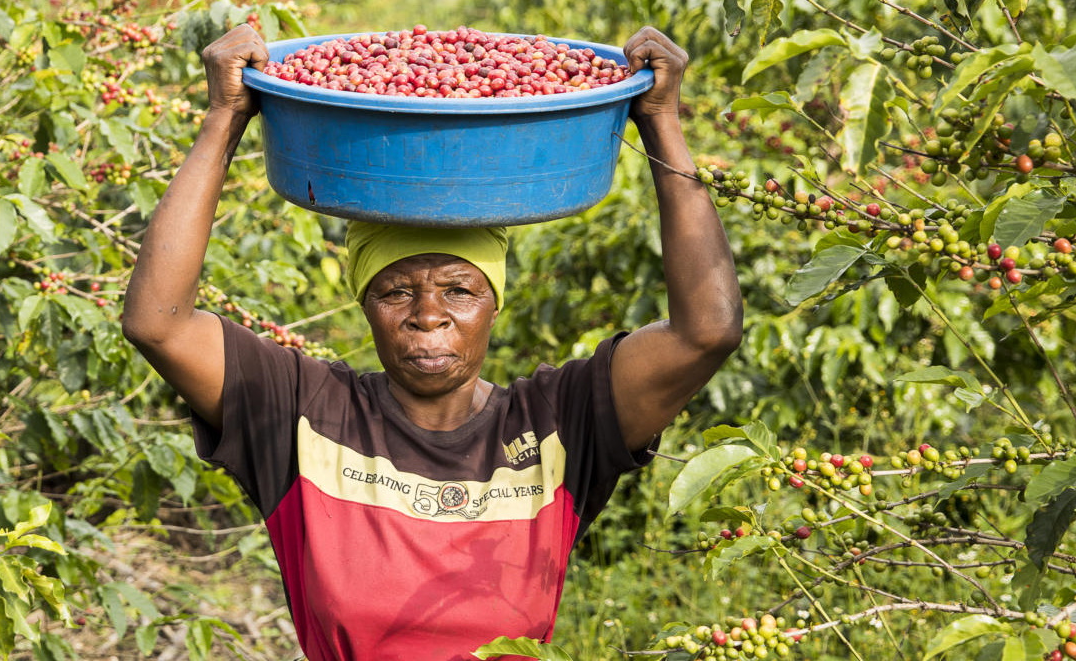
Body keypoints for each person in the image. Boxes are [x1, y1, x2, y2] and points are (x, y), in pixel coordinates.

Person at [119, 24, 741, 659]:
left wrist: (662, 121)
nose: (428, 316)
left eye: (459, 291)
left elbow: (706, 332)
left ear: (495, 304)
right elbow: (157, 323)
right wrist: (225, 115)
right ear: (363, 303)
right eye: (395, 293)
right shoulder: (304, 414)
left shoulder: (559, 423)